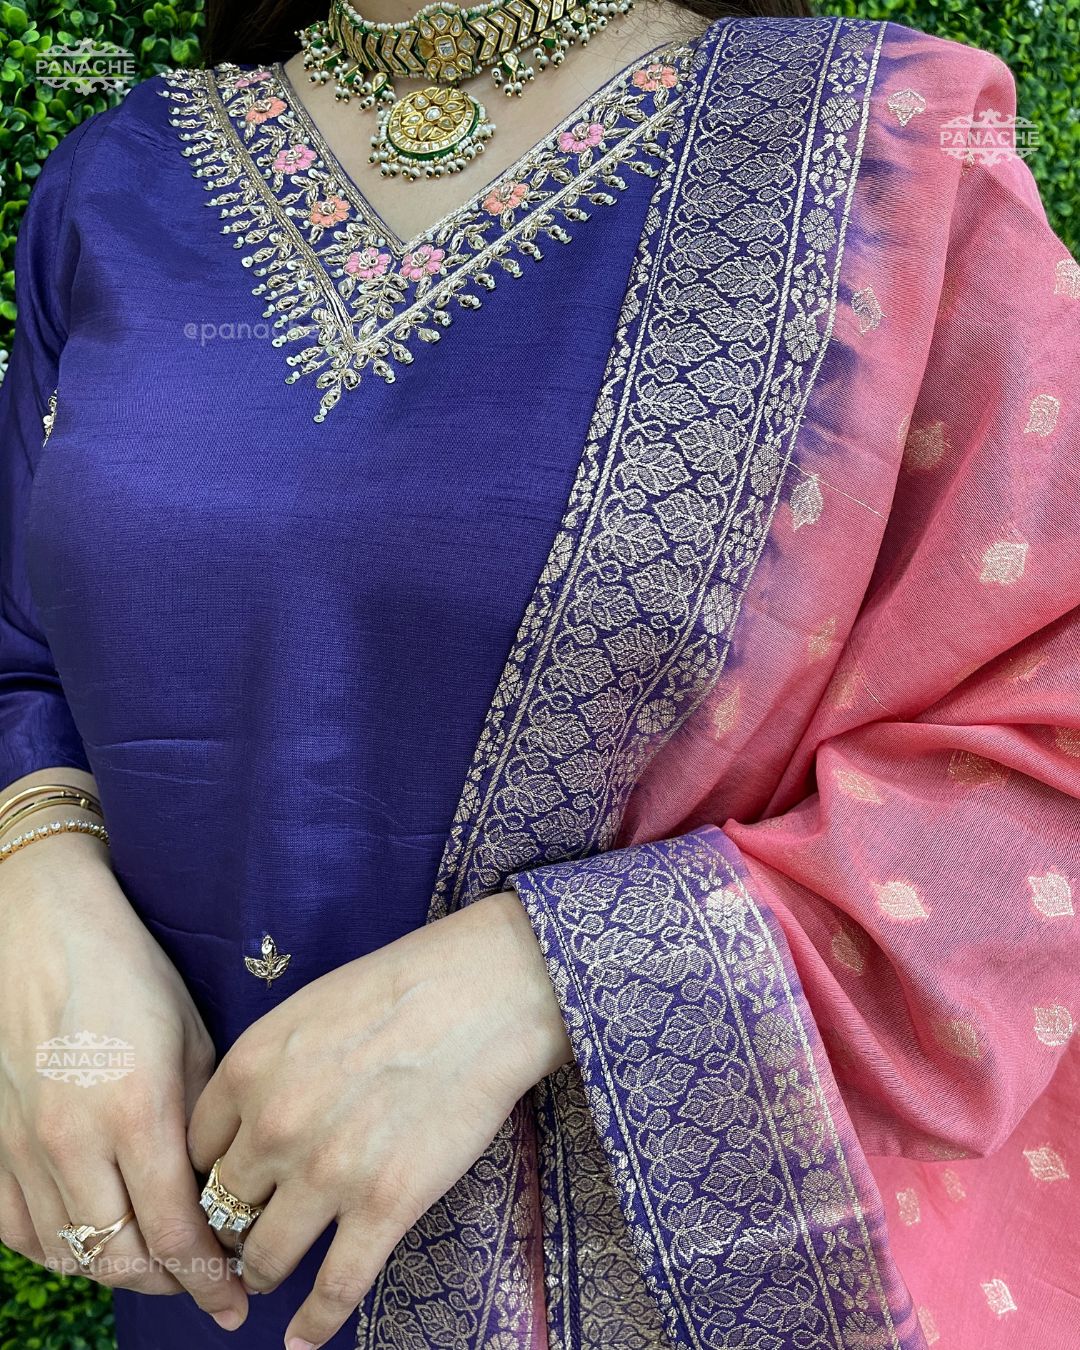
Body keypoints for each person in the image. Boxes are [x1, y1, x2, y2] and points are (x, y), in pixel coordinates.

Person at [0, 0, 1077, 1347]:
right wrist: (33, 882)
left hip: (668, 1278)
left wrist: (546, 974)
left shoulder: (887, 153)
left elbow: (1046, 738)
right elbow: (22, 648)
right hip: (213, 1269)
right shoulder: (119, 179)